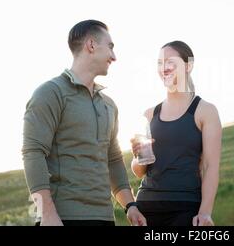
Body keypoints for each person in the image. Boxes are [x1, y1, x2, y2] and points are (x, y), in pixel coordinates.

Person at [22, 20, 146, 226]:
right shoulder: (51, 93)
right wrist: (47, 214)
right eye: (110, 47)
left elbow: (113, 159)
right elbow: (33, 152)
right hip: (62, 218)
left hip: (104, 218)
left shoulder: (109, 105)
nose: (114, 56)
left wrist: (130, 206)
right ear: (91, 45)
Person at [130, 40, 222, 226]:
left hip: (185, 207)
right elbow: (140, 171)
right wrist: (139, 156)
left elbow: (210, 166)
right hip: (147, 207)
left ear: (188, 65)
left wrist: (205, 212)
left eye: (170, 61)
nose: (164, 67)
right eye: (160, 63)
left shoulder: (206, 111)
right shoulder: (149, 114)